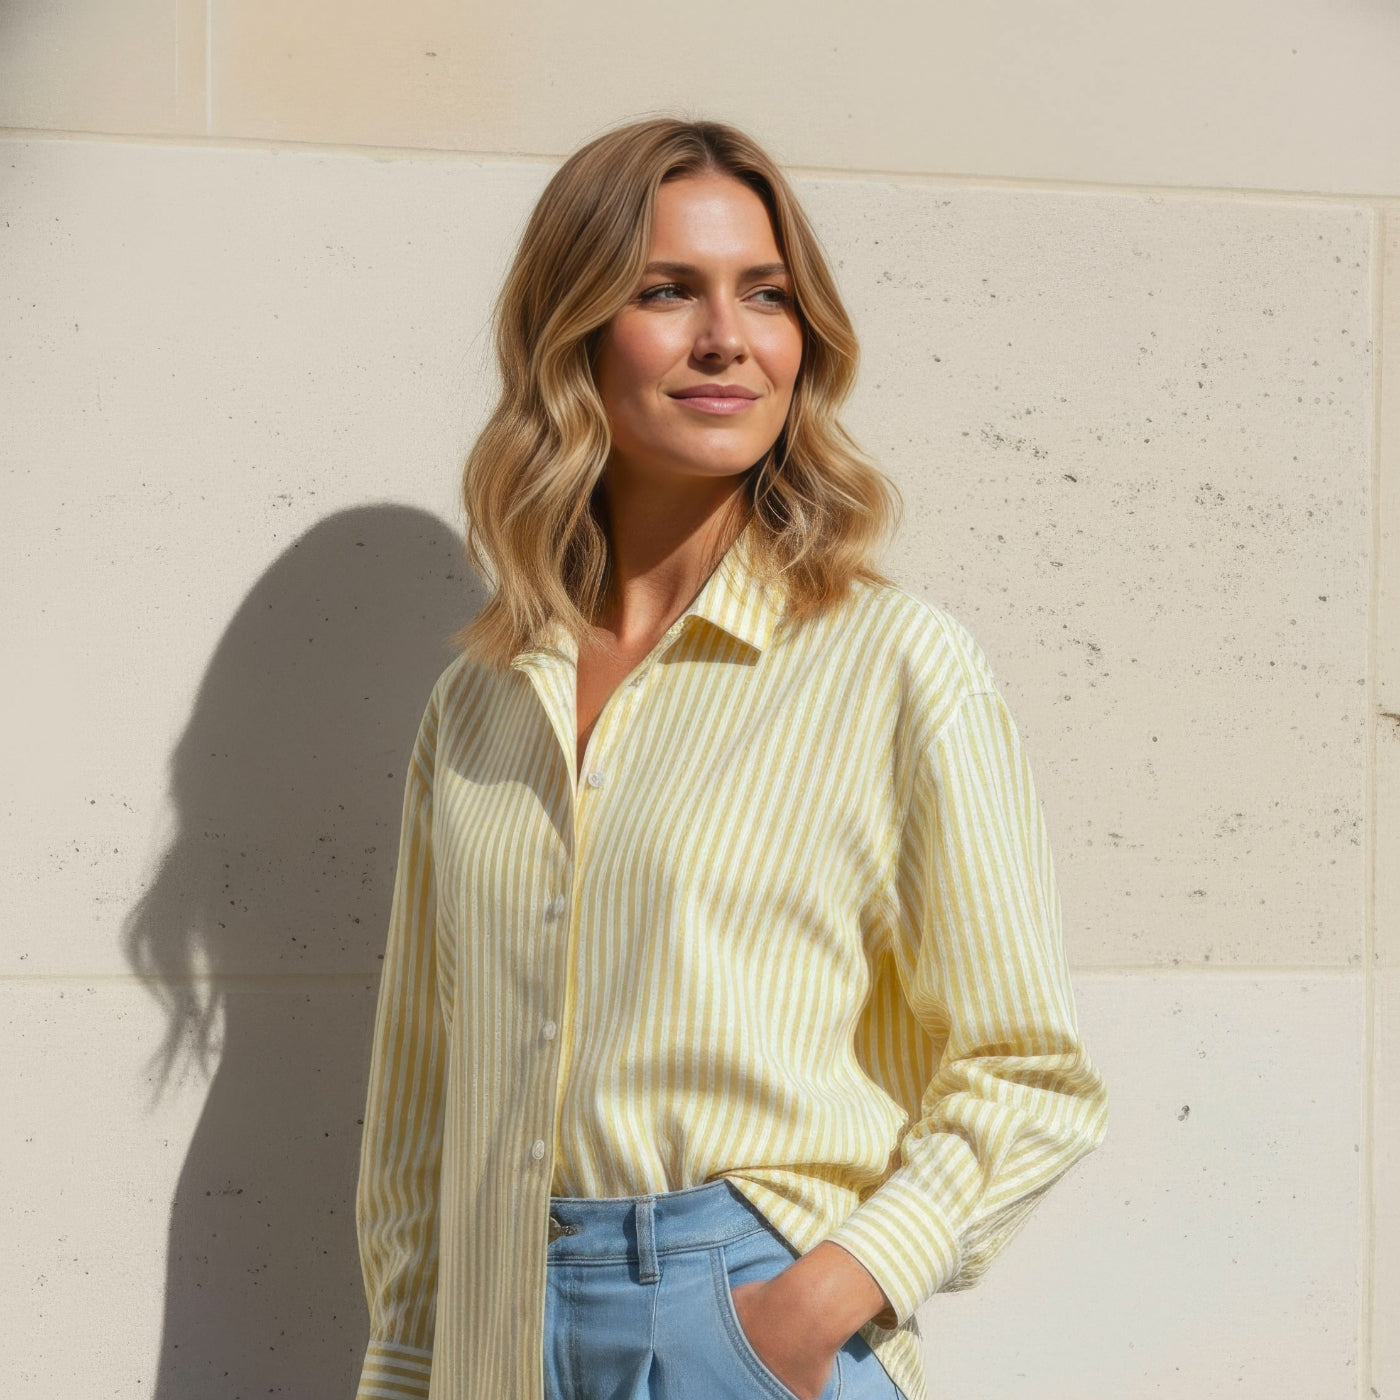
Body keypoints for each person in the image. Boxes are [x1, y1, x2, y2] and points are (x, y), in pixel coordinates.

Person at [353, 116, 1109, 1400]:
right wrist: (403, 1368)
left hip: (739, 1318)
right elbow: (423, 1109)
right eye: (666, 290)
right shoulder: (480, 702)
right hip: (493, 1337)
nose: (726, 338)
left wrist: (814, 1301)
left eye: (764, 293)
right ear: (571, 333)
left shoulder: (891, 664)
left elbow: (1025, 1069)